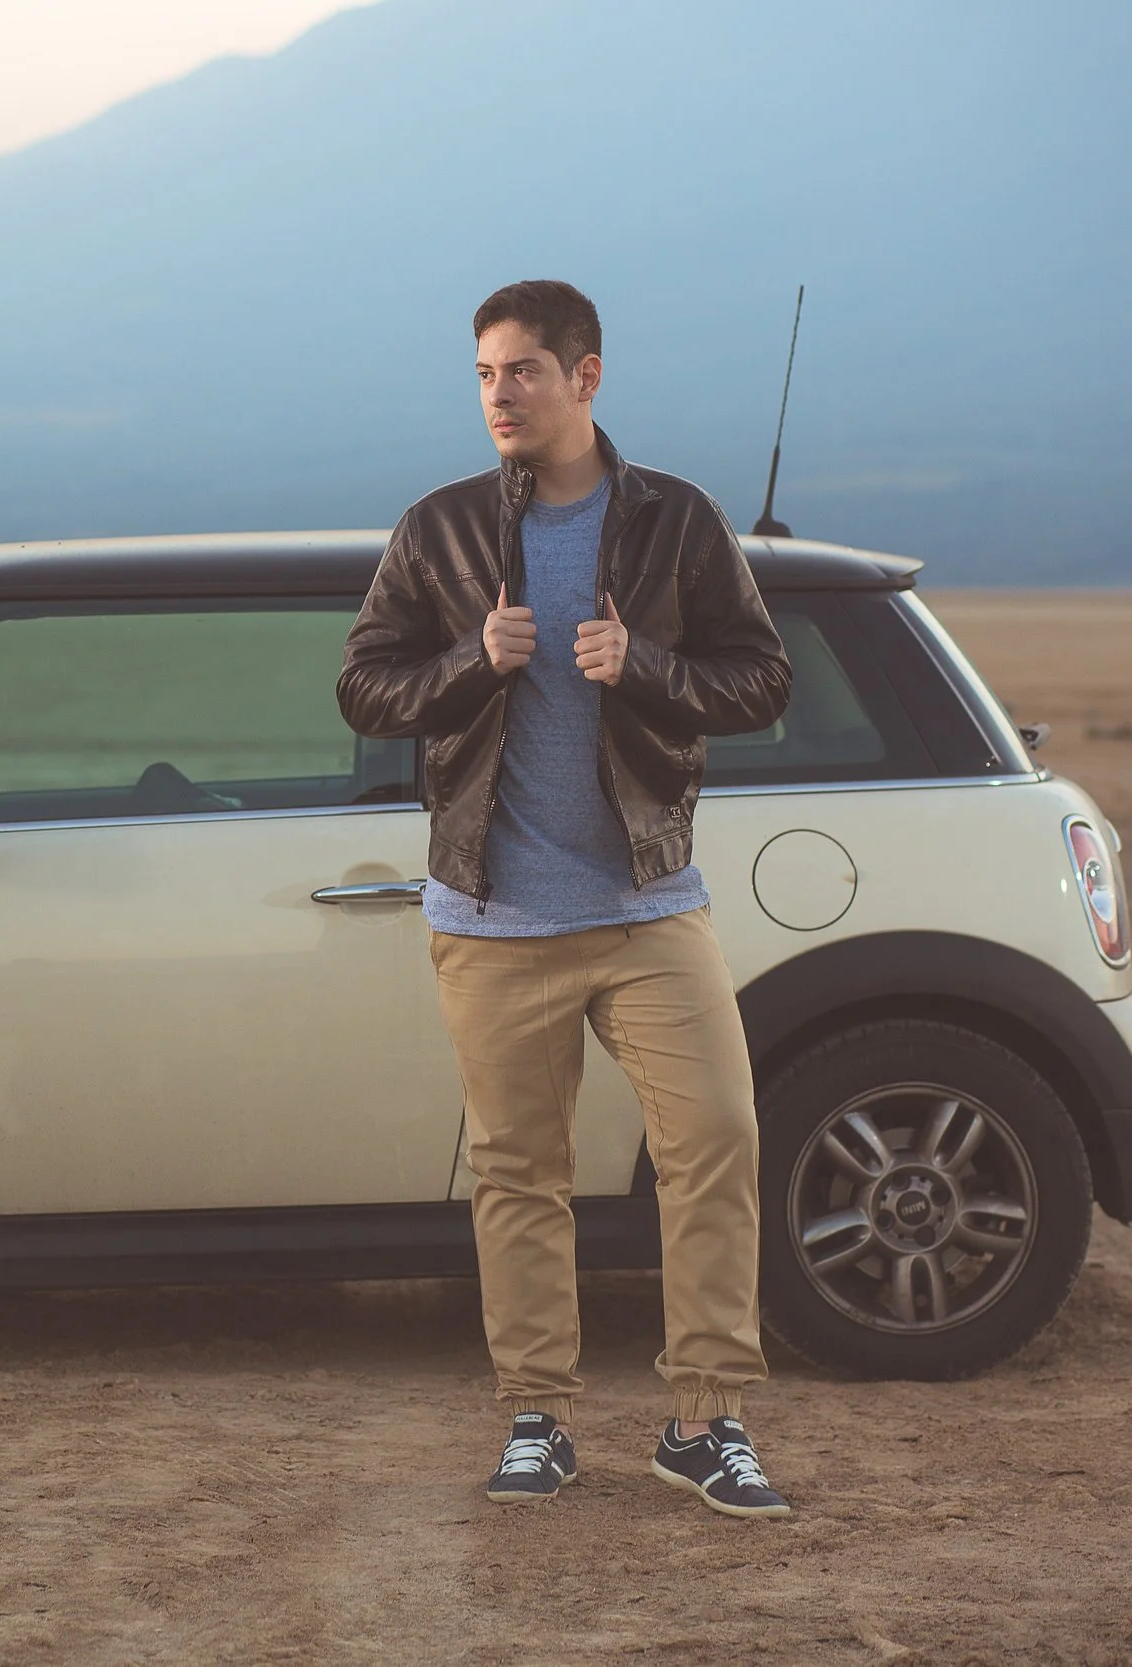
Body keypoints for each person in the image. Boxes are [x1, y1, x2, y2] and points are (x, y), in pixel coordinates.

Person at [337, 280, 797, 1518]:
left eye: (526, 370)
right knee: (519, 1170)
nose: (501, 393)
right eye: (486, 372)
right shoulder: (434, 529)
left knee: (716, 1141)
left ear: (586, 378)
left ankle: (705, 1420)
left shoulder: (675, 521)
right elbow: (362, 689)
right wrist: (462, 662)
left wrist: (641, 665)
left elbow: (762, 678)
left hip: (649, 905)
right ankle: (536, 1416)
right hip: (491, 916)